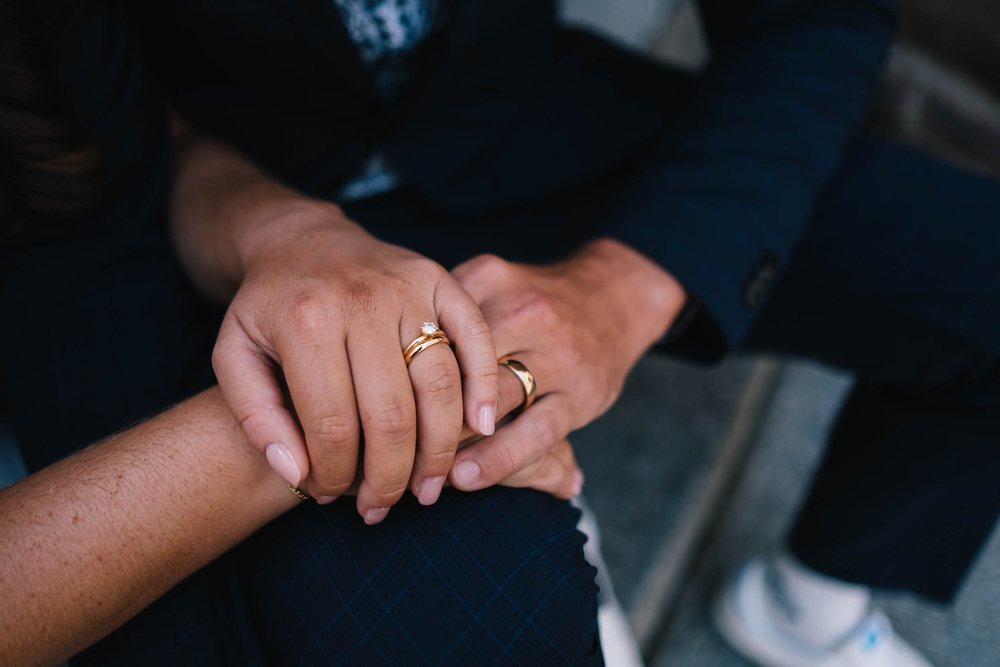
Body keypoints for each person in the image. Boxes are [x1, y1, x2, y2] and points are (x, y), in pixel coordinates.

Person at [4, 0, 998, 665]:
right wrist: (307, 272)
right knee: (493, 595)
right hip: (227, 213)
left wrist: (629, 283)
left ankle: (803, 607)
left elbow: (808, 16)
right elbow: (105, 137)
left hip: (515, 123)